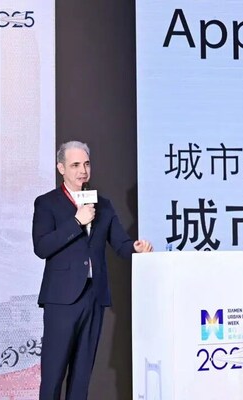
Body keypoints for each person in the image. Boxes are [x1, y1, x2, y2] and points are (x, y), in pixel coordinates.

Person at [32, 140, 153, 400]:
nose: (82, 171)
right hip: (61, 299)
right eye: (75, 165)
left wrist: (136, 248)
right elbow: (41, 247)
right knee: (53, 374)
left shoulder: (103, 205)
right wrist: (77, 221)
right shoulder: (47, 203)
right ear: (61, 168)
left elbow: (120, 244)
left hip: (93, 297)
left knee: (82, 376)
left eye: (86, 164)